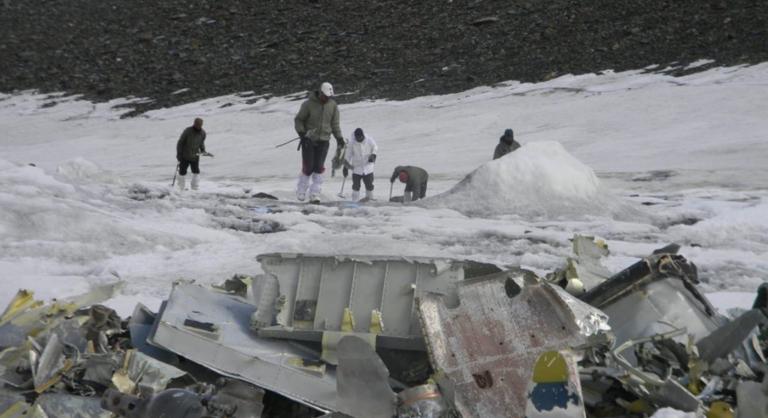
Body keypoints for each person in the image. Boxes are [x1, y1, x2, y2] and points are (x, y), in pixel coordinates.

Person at [294, 82, 345, 202]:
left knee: (319, 167)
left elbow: (335, 124)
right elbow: (299, 120)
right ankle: (301, 191)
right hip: (309, 140)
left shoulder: (332, 105)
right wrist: (302, 134)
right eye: (325, 96)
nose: (327, 98)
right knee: (308, 167)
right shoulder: (308, 104)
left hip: (324, 141)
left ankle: (314, 193)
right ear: (320, 92)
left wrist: (339, 138)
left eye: (329, 97)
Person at [343, 128, 378, 201]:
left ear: (362, 135)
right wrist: (345, 167)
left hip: (368, 167)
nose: (359, 139)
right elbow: (348, 155)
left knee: (369, 185)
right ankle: (355, 202)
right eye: (357, 138)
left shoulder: (368, 139)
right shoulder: (351, 143)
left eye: (360, 137)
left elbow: (375, 147)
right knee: (356, 186)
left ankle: (370, 200)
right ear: (355, 136)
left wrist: (373, 155)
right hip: (356, 168)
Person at [176, 118, 209, 191]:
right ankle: (181, 188)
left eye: (199, 124)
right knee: (182, 172)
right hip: (185, 155)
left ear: (201, 125)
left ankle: (195, 188)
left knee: (196, 171)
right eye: (196, 123)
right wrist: (179, 154)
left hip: (195, 155)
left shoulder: (203, 133)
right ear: (194, 123)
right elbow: (180, 142)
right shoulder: (187, 131)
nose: (197, 125)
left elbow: (201, 143)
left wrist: (203, 150)